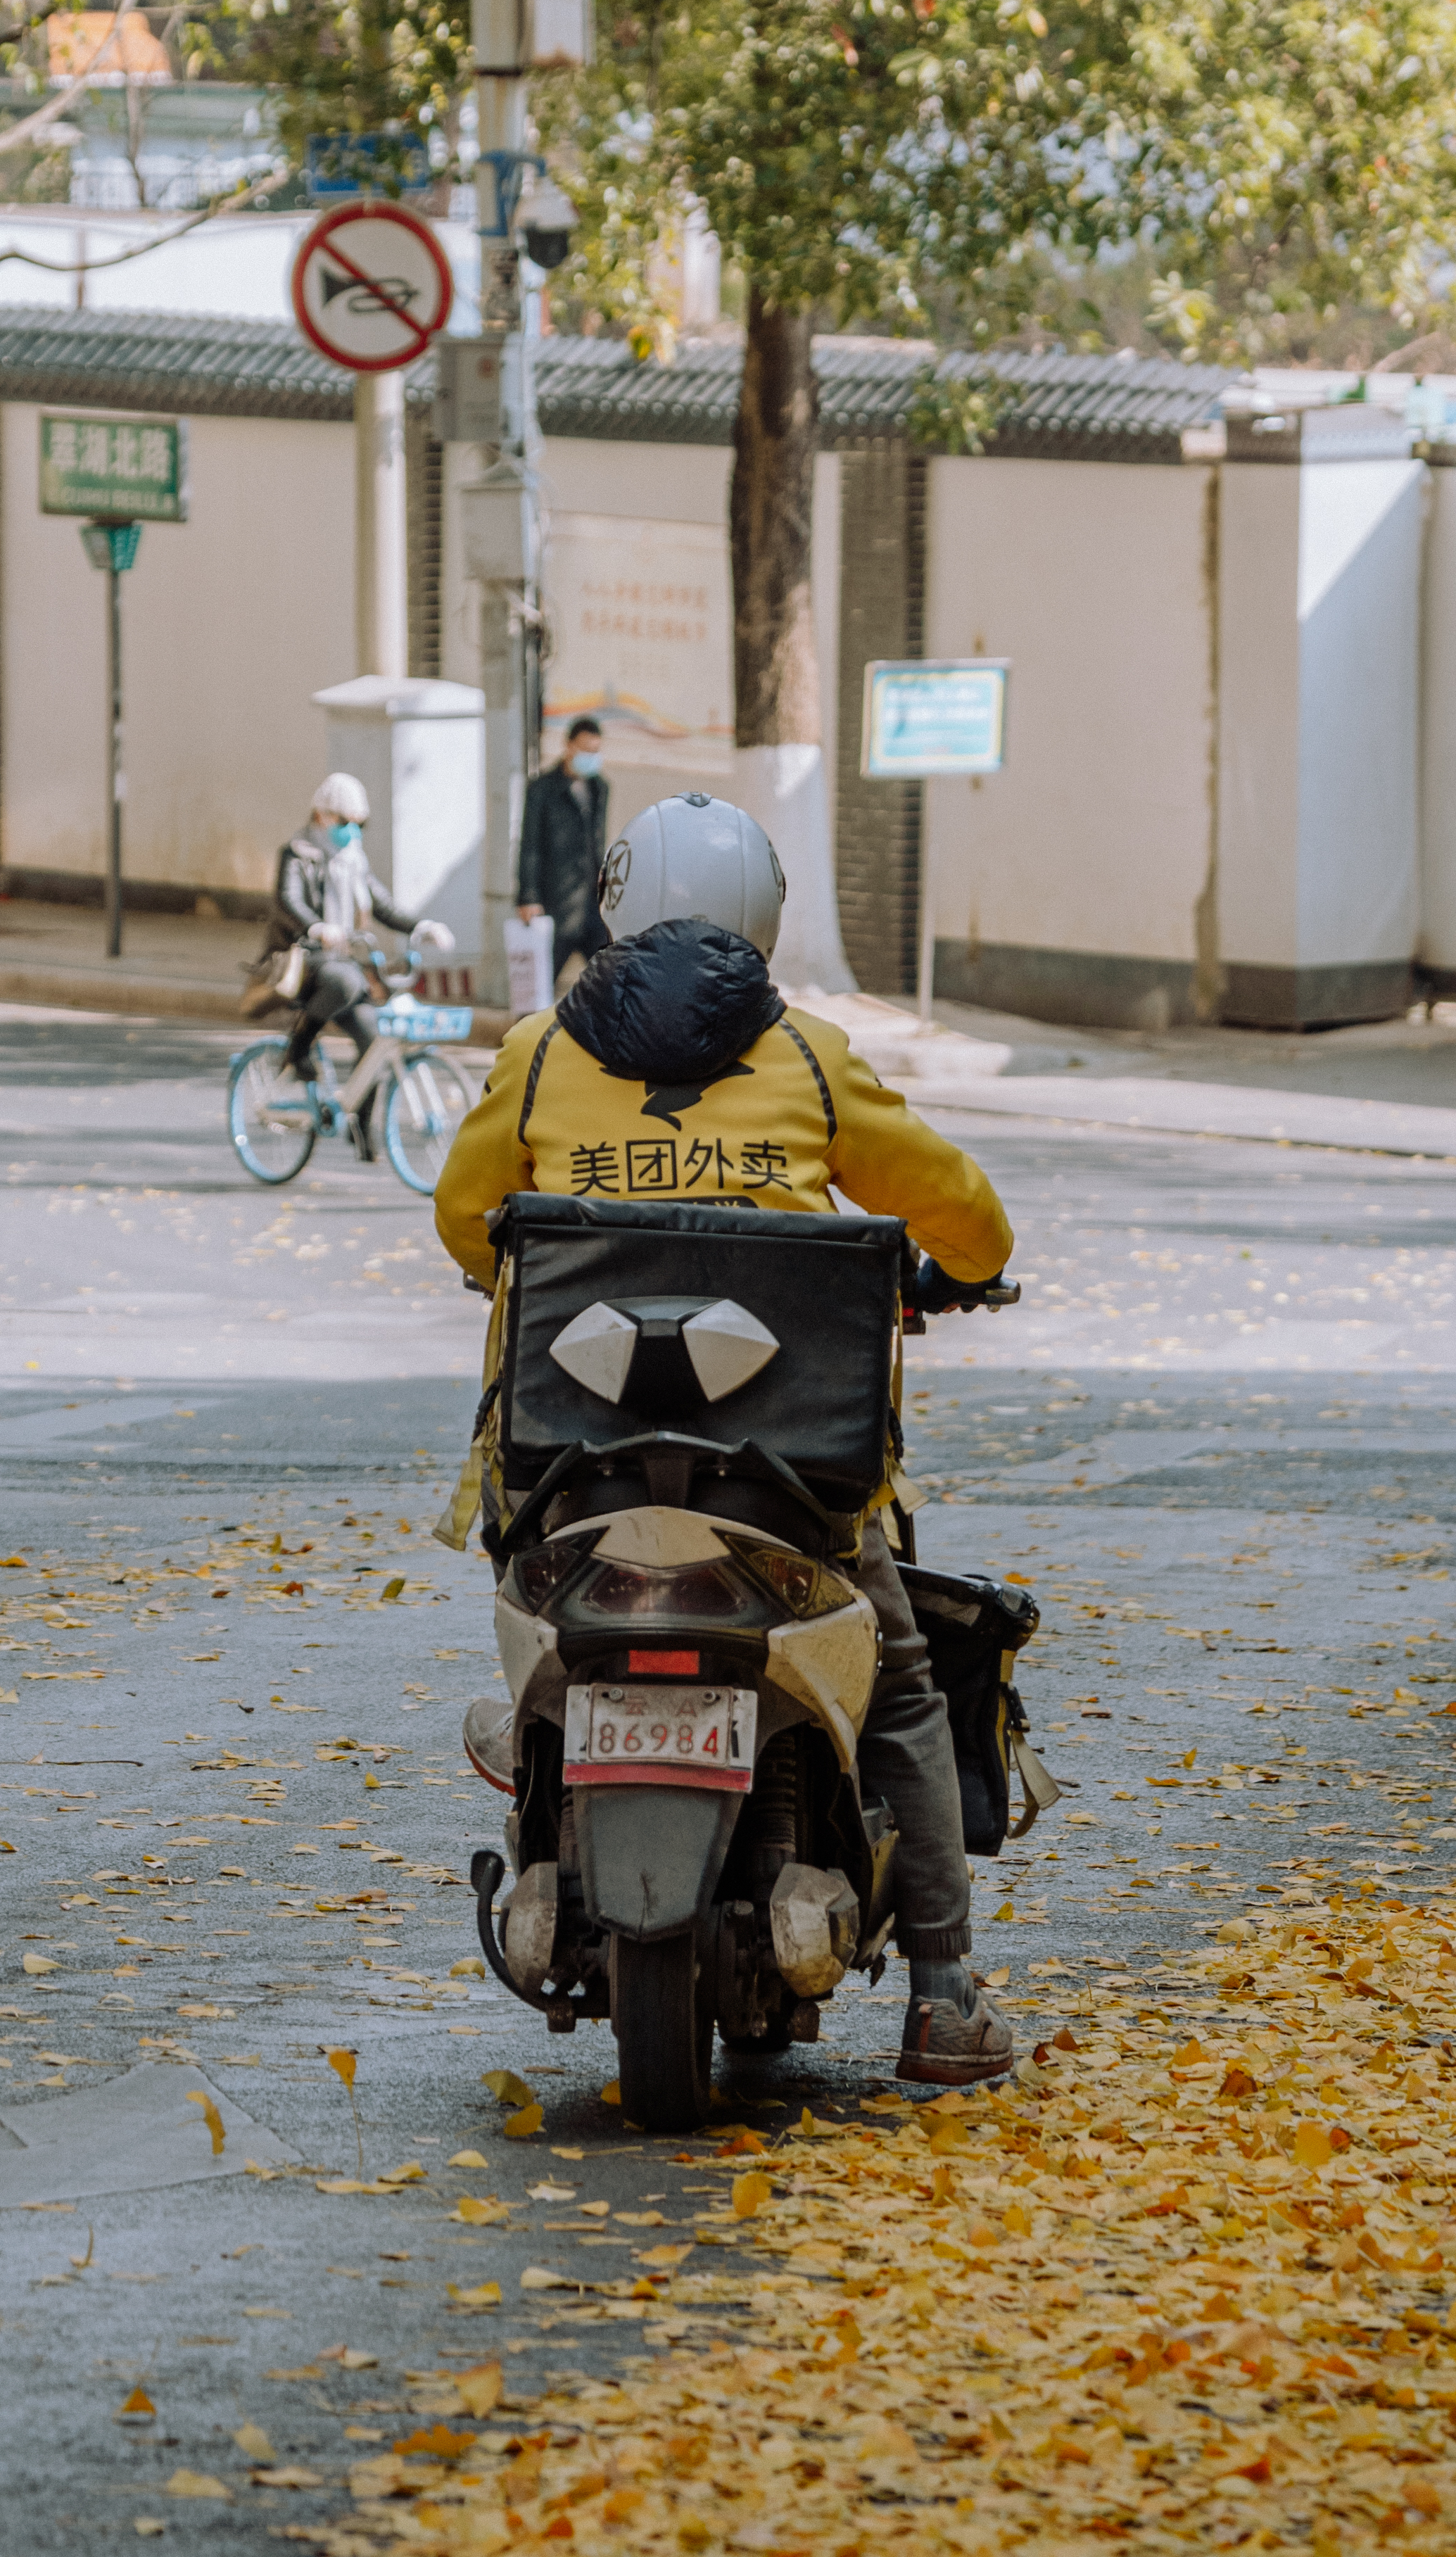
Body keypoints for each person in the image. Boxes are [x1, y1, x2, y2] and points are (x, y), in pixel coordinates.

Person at [434, 789, 1018, 2092]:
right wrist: (957, 1266)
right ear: (764, 914)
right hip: (789, 1495)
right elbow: (968, 1218)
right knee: (905, 1682)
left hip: (565, 1483)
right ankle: (941, 1995)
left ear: (611, 901)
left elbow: (466, 1222)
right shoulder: (808, 1057)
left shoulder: (536, 1053)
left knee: (535, 1634)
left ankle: (543, 1819)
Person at [262, 775, 454, 1142]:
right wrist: (318, 928)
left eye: (359, 823)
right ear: (321, 815)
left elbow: (382, 905)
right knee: (347, 979)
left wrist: (422, 926)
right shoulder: (297, 852)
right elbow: (289, 900)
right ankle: (298, 1048)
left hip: (342, 961)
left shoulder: (354, 861)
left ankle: (361, 1127)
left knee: (375, 1040)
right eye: (344, 821)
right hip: (305, 958)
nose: (352, 831)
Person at [516, 714, 609, 985]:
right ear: (568, 746)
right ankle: (528, 1029)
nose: (591, 757)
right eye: (585, 750)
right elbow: (529, 845)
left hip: (592, 905)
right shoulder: (542, 790)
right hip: (555, 904)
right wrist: (528, 896)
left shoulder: (599, 788)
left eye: (596, 751)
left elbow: (598, 842)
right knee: (540, 985)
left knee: (609, 981)